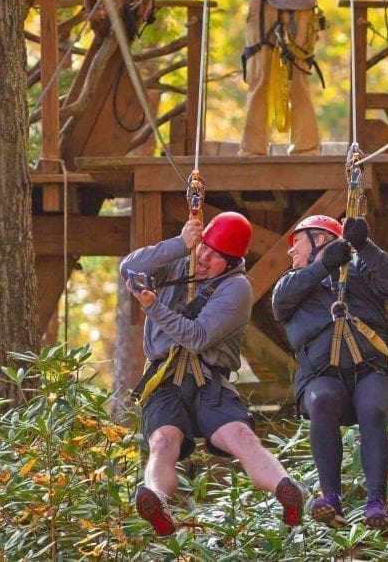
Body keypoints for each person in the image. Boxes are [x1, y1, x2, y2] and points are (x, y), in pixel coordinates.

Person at [120, 211, 305, 536]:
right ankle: (155, 499)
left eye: (216, 257)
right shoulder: (181, 260)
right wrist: (181, 244)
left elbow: (197, 337)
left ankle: (285, 489)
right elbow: (130, 269)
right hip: (164, 379)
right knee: (163, 441)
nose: (204, 259)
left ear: (232, 262)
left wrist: (153, 306)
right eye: (203, 248)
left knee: (241, 437)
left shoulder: (237, 289)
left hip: (209, 380)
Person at [271, 215, 388, 528]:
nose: (291, 252)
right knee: (322, 402)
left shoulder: (360, 270)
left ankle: (376, 502)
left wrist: (364, 246)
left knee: (373, 409)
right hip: (322, 378)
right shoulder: (290, 284)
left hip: (372, 371)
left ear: (319, 240)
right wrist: (322, 267)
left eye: (297, 243)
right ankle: (330, 497)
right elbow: (281, 306)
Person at [238, 0, 322, 157]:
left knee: (299, 81)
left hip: (303, 1)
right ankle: (252, 150)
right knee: (260, 78)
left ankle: (306, 150)